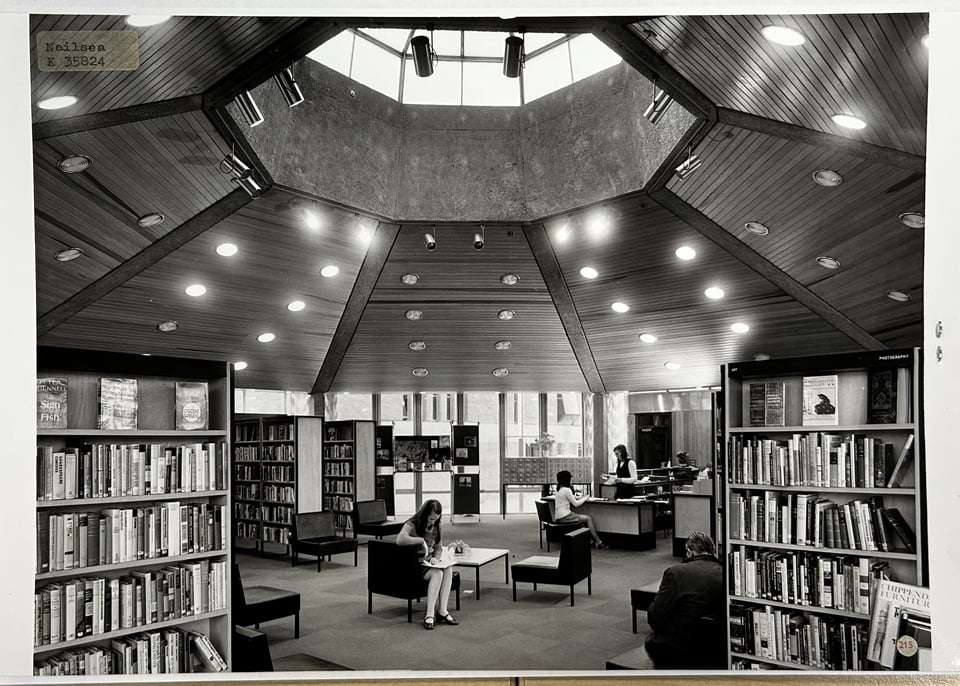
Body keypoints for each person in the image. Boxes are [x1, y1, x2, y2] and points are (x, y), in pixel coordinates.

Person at [643, 531, 725, 669]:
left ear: (689, 551)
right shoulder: (725, 571)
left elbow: (655, 616)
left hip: (681, 646)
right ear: (713, 551)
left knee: (652, 640)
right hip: (717, 645)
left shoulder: (675, 573)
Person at [396, 499, 459, 630]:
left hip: (428, 562)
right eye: (431, 519)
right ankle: (429, 613)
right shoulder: (412, 523)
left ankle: (442, 610)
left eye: (436, 519)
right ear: (425, 514)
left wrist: (436, 558)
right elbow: (400, 539)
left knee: (448, 569)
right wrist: (420, 541)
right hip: (415, 564)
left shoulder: (437, 526)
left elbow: (439, 547)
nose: (433, 522)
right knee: (437, 574)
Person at [554, 470, 607, 548]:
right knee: (588, 519)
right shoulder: (567, 490)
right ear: (567, 479)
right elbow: (576, 504)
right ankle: (598, 542)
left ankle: (590, 541)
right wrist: (585, 498)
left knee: (583, 521)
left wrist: (575, 497)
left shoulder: (558, 489)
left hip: (558, 517)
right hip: (566, 516)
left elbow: (567, 498)